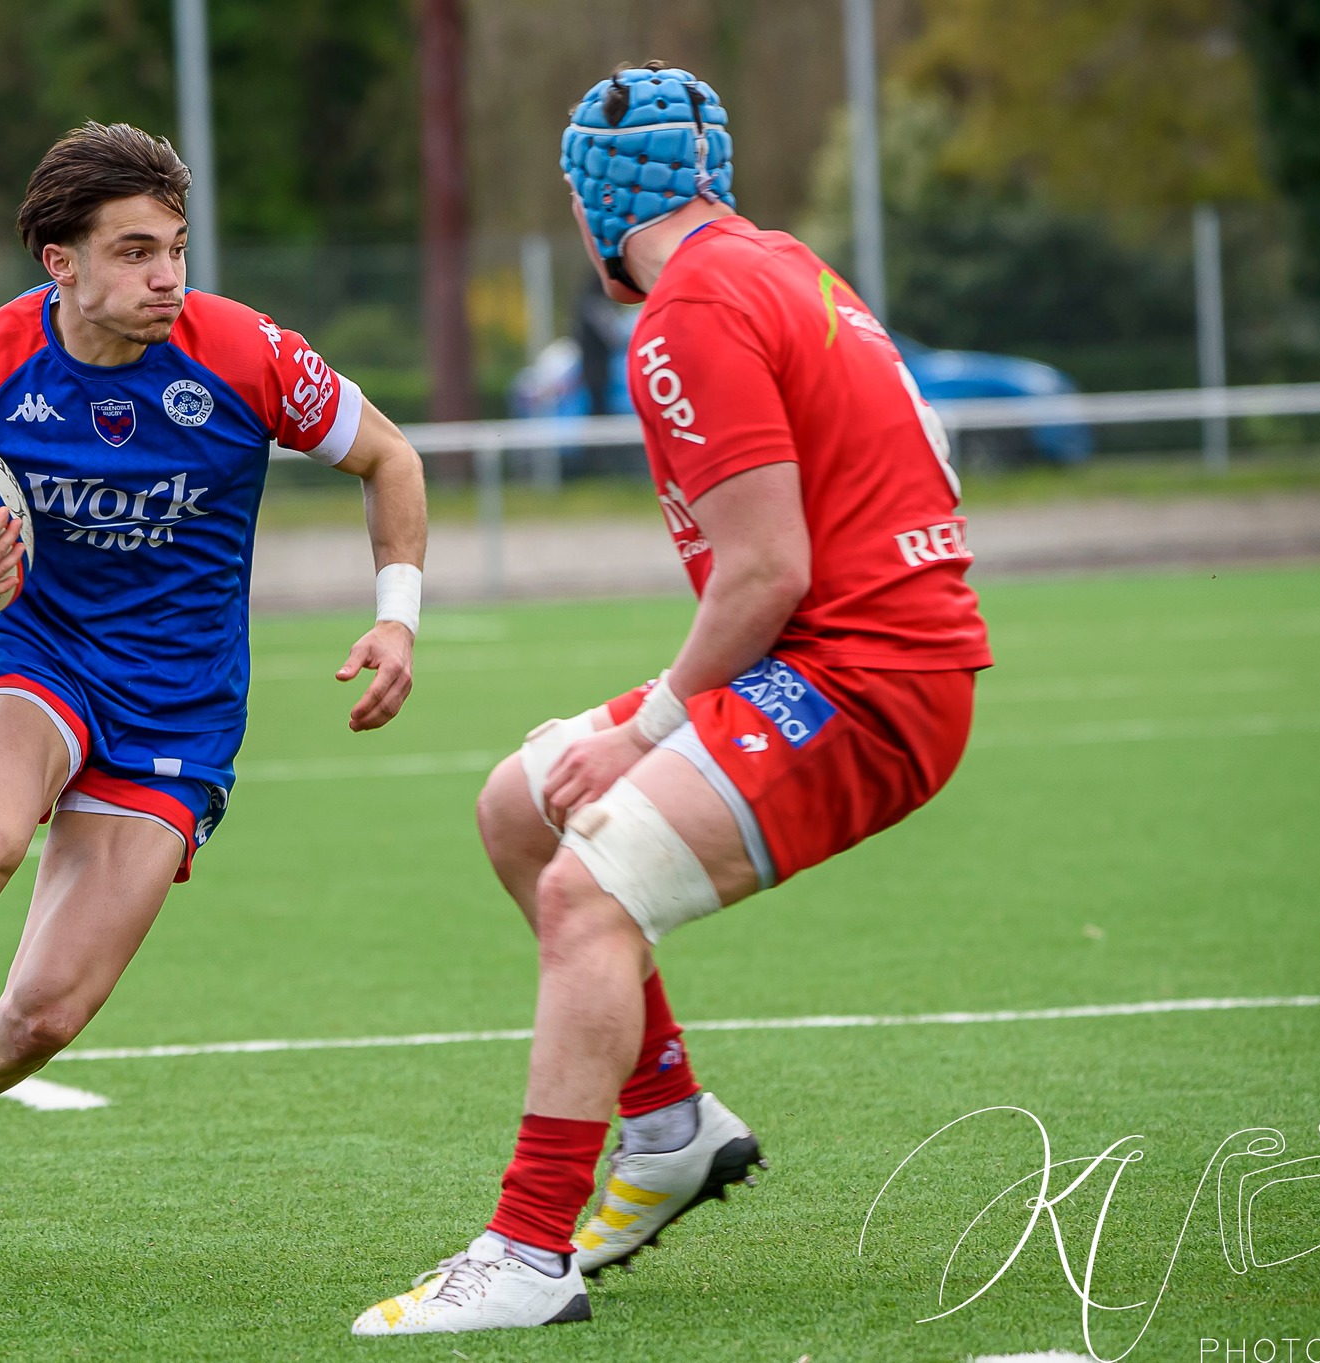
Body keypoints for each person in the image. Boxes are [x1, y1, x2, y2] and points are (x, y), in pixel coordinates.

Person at [353, 63, 991, 1335]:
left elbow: (765, 571)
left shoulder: (687, 307)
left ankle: (527, 1253)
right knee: (517, 809)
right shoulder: (775, 263)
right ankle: (670, 1127)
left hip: (862, 681)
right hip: (828, 657)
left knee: (586, 887)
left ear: (594, 208)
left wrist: (650, 726)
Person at [0, 122, 428, 1284]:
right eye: (132, 252)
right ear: (58, 264)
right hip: (40, 655)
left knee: (41, 1019)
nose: (165, 276)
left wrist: (396, 614)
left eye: (173, 248)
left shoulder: (246, 353)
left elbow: (390, 459)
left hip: (179, 711)